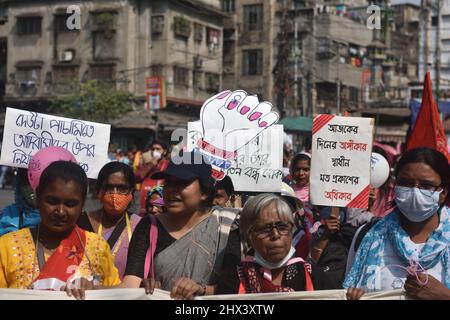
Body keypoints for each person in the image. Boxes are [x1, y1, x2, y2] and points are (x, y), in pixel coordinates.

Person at [121, 152, 239, 299]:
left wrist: (200, 290)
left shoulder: (226, 226)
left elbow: (232, 290)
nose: (172, 189)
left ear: (205, 192)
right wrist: (142, 287)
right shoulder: (149, 225)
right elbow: (130, 284)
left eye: (182, 182)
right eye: (168, 182)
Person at [0, 161, 120, 298]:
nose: (61, 211)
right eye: (52, 201)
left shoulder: (97, 248)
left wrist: (97, 288)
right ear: (38, 198)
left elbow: (117, 293)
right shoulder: (8, 246)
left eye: (70, 204)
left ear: (82, 205)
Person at [344, 148, 450, 300]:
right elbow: (348, 290)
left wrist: (444, 296)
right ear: (396, 187)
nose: (415, 192)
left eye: (426, 186)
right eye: (406, 184)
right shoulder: (368, 236)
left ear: (443, 192)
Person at [216, 194, 317, 294]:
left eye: (282, 227)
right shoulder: (234, 279)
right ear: (248, 236)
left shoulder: (313, 276)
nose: (275, 235)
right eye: (265, 229)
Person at [77, 162, 141, 279]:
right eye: (109, 188)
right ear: (99, 191)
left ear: (131, 192)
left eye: (122, 188)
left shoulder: (140, 227)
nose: (115, 194)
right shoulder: (81, 222)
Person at [0, 168, 40, 236]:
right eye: (27, 181)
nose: (32, 188)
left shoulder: (56, 214)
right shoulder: (9, 214)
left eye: (39, 182)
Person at [136, 141, 170, 213]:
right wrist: (150, 165)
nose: (155, 151)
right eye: (153, 149)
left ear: (164, 151)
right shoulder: (147, 165)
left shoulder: (169, 166)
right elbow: (137, 178)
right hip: (145, 203)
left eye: (158, 149)